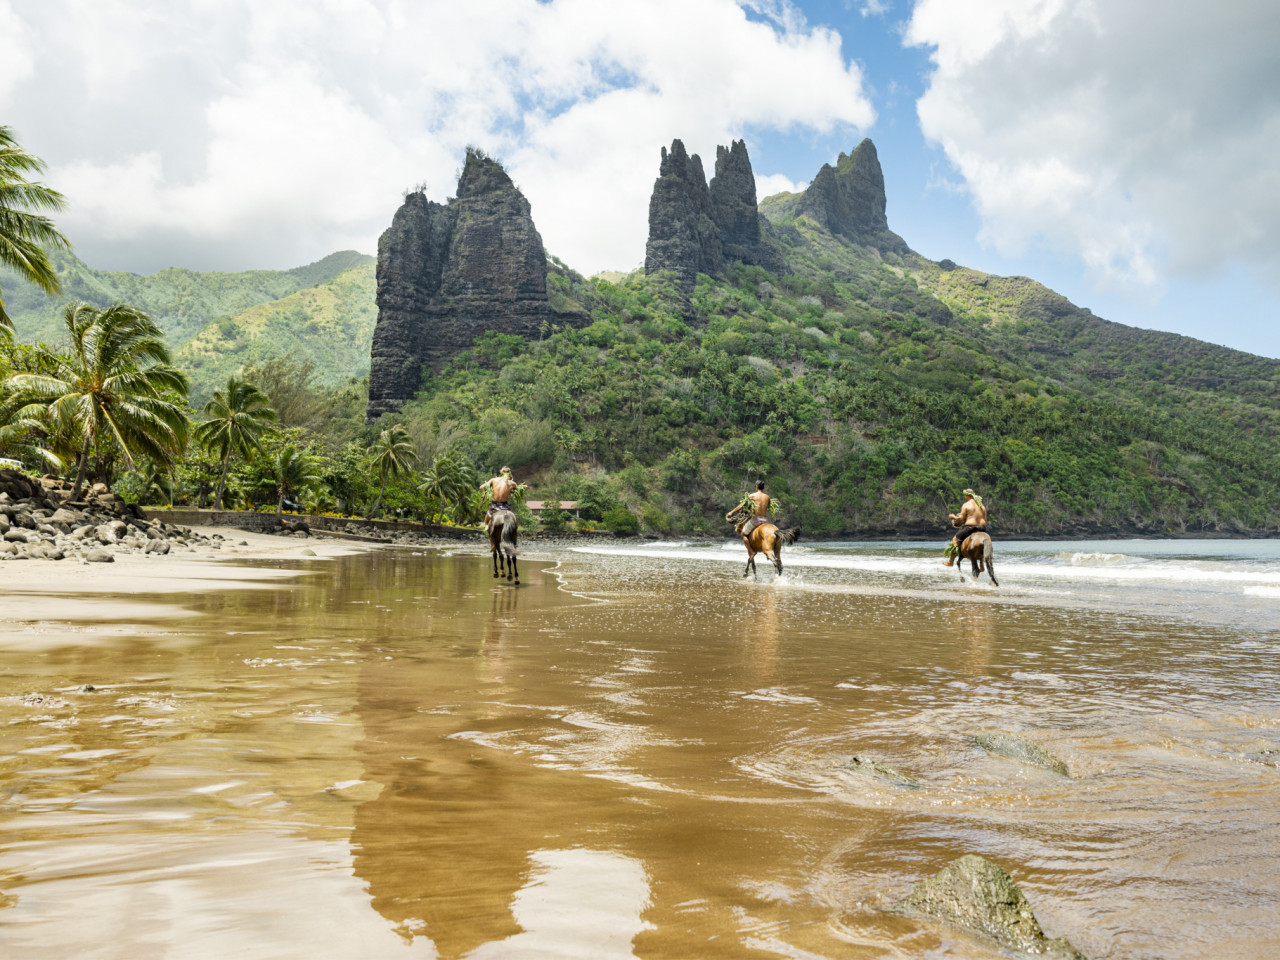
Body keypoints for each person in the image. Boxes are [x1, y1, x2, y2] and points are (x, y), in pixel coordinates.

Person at [944, 487, 988, 566]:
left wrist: (953, 517)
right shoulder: (982, 506)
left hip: (971, 528)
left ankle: (950, 561)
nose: (965, 497)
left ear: (967, 496)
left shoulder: (966, 505)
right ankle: (981, 564)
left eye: (965, 495)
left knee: (955, 539)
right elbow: (985, 520)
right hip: (982, 528)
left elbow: (961, 518)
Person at [728, 480, 772, 546]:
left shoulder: (752, 496)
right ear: (763, 488)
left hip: (756, 520)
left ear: (756, 487)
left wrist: (731, 512)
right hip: (764, 520)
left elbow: (742, 505)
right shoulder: (767, 497)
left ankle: (751, 552)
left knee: (743, 533)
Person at [480, 466, 517, 535]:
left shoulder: (494, 480)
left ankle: (486, 527)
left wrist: (489, 488)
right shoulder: (513, 483)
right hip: (505, 506)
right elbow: (518, 492)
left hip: (494, 505)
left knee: (487, 517)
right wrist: (510, 491)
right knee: (512, 518)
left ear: (501, 474)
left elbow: (481, 487)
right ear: (509, 474)